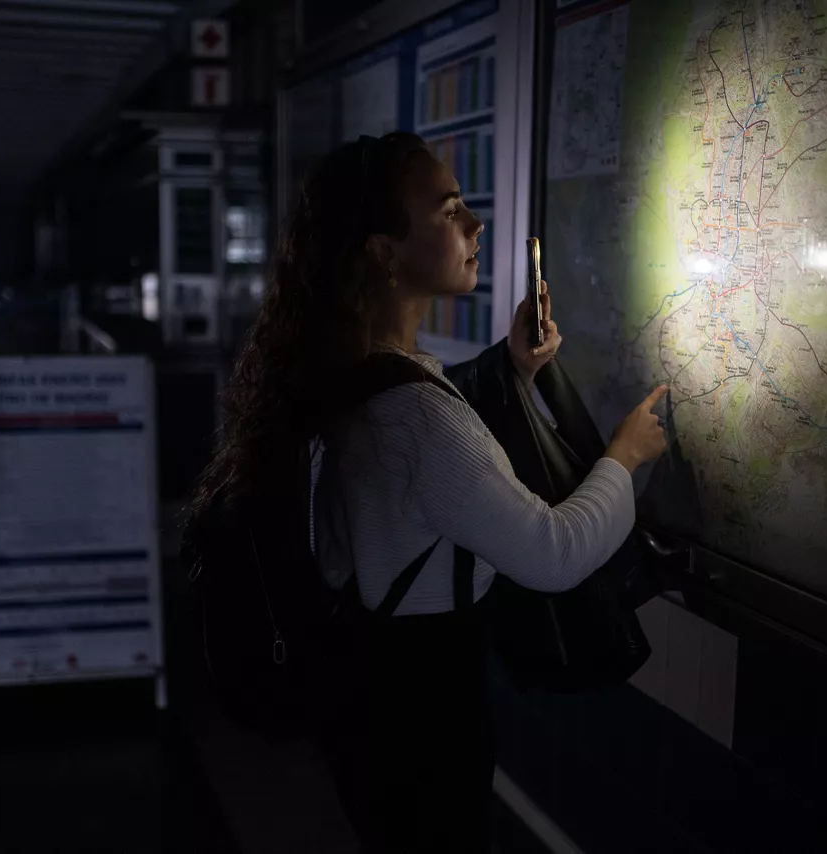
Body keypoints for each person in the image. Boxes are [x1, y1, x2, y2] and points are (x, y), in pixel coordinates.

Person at [190, 133, 667, 851]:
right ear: (384, 251)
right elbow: (553, 552)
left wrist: (510, 366)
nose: (474, 227)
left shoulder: (345, 372)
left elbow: (427, 449)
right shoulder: (412, 414)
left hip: (370, 704)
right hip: (426, 719)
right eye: (449, 212)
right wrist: (625, 458)